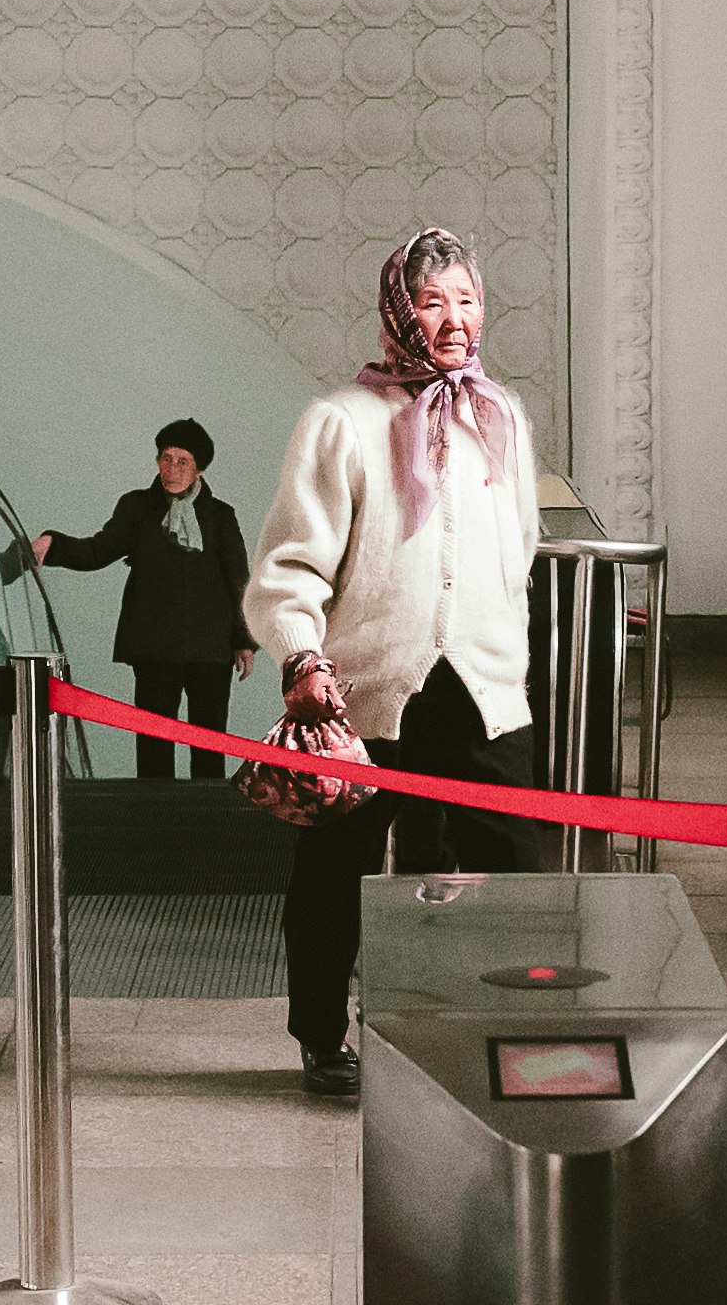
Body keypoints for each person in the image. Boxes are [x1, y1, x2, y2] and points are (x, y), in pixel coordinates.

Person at [244, 225, 540, 1098]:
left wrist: (505, 647)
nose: (453, 319)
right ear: (396, 313)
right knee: (336, 872)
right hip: (369, 694)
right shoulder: (341, 421)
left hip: (484, 693)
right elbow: (289, 566)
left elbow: (519, 547)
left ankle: (496, 1026)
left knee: (513, 868)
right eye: (431, 301)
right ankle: (321, 1036)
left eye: (466, 299)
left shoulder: (501, 418)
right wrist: (302, 654)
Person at [30, 419, 255, 779]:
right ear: (157, 461)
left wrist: (244, 641)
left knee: (209, 745)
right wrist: (53, 544)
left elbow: (239, 580)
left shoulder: (220, 515)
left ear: (198, 469)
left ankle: (208, 825)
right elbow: (96, 551)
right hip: (154, 647)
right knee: (153, 747)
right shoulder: (137, 507)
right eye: (166, 458)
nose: (172, 468)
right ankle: (156, 822)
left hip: (210, 650)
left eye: (183, 461)